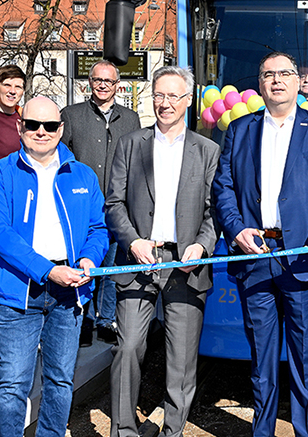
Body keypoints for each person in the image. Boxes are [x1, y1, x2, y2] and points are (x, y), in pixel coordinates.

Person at [212, 52, 308, 437]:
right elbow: (223, 188)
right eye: (268, 74)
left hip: (305, 260)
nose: (276, 80)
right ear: (260, 84)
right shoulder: (239, 130)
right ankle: (263, 431)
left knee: (306, 358)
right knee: (262, 360)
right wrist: (237, 230)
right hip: (254, 258)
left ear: (297, 82)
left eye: (285, 74)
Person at [0, 96, 108, 437]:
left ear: (61, 129)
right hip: (17, 292)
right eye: (32, 124)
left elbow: (98, 228)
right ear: (20, 126)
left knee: (61, 380)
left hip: (71, 291)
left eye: (50, 125)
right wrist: (48, 270)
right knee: (12, 383)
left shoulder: (82, 175)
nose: (41, 132)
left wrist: (89, 259)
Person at [106, 66, 219, 437]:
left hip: (185, 266)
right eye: (158, 95)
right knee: (128, 349)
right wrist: (132, 240)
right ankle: (123, 430)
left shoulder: (208, 150)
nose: (164, 103)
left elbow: (214, 210)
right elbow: (114, 203)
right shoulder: (130, 143)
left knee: (181, 361)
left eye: (173, 96)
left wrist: (202, 245)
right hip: (138, 261)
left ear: (187, 101)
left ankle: (173, 430)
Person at [61, 59, 140, 346]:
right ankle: (81, 321)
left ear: (118, 85)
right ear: (88, 83)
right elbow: (62, 158)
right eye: (98, 80)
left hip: (118, 204)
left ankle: (105, 319)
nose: (103, 86)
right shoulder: (71, 115)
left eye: (109, 81)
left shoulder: (130, 119)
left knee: (110, 267)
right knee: (82, 264)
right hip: (82, 205)